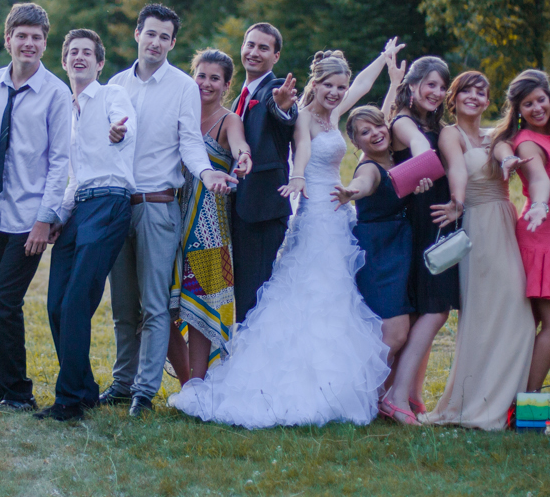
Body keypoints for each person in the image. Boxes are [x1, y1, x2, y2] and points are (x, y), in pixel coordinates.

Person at [170, 43, 398, 428]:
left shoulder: (335, 113)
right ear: (316, 83)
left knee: (338, 293)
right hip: (314, 209)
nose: (336, 93)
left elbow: (361, 86)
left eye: (340, 87)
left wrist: (384, 60)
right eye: (329, 85)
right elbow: (303, 149)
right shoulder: (304, 117)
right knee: (313, 290)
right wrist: (297, 176)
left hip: (338, 215)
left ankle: (334, 382)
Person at [102, 5, 238, 416]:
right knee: (123, 306)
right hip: (117, 205)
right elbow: (102, 140)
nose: (156, 42)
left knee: (155, 305)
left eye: (165, 37)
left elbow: (190, 142)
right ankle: (122, 383)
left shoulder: (182, 86)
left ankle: (144, 391)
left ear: (173, 43)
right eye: (151, 34)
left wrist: (207, 173)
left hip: (158, 207)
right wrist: (110, 134)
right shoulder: (116, 84)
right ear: (137, 35)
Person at [0, 3, 71, 412]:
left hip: (30, 217)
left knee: (6, 299)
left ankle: (18, 393)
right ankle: (1, 385)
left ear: (45, 44)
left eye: (36, 37)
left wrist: (45, 220)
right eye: (21, 36)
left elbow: (60, 162)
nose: (29, 43)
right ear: (8, 39)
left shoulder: (56, 93)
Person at [34, 29, 136, 421]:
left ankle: (68, 402)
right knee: (57, 304)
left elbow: (126, 128)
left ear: (99, 63)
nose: (79, 57)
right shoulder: (67, 112)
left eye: (87, 53)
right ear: (64, 62)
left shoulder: (111, 95)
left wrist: (119, 132)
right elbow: (74, 177)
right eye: (72, 52)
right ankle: (85, 390)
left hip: (110, 202)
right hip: (79, 207)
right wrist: (58, 216)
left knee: (77, 301)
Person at [424, 72, 534, 430]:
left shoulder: (494, 136)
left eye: (481, 92)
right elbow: (457, 169)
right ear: (453, 99)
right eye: (467, 91)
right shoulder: (451, 134)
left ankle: (504, 399)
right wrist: (457, 201)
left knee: (518, 316)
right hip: (477, 224)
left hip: (505, 223)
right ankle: (478, 404)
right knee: (486, 315)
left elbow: (508, 152)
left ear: (489, 101)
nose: (474, 97)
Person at [493, 69, 550, 392]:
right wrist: (541, 204)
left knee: (536, 323)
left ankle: (514, 396)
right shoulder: (528, 142)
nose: (536, 108)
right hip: (541, 235)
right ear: (518, 110)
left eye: (540, 100)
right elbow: (539, 179)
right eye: (527, 104)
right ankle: (526, 398)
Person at [168, 49, 252, 384]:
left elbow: (240, 145)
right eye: (201, 75)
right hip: (170, 220)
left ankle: (198, 386)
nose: (206, 83)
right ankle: (188, 382)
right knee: (160, 304)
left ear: (227, 84)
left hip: (209, 229)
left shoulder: (229, 120)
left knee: (202, 305)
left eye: (215, 78)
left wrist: (243, 158)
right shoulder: (179, 114)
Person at [382, 55, 458, 418]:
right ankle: (396, 396)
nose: (437, 92)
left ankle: (409, 393)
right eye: (430, 84)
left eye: (442, 87)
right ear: (412, 86)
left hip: (435, 219)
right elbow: (418, 146)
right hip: (420, 222)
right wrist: (423, 163)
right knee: (436, 309)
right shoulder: (403, 121)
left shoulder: (433, 124)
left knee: (425, 310)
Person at [331, 105, 412, 417]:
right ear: (356, 143)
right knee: (395, 333)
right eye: (365, 132)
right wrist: (351, 192)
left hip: (399, 248)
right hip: (379, 254)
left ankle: (379, 396)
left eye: (378, 126)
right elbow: (362, 184)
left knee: (396, 331)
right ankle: (359, 395)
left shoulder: (396, 158)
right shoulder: (369, 168)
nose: (375, 133)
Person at [228, 23, 299, 323]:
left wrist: (283, 107)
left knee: (254, 298)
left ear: (276, 56)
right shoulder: (239, 98)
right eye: (250, 45)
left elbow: (282, 112)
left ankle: (250, 351)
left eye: (263, 48)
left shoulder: (275, 88)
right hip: (238, 208)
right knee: (242, 293)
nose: (254, 52)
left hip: (262, 210)